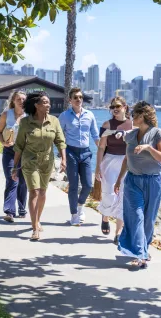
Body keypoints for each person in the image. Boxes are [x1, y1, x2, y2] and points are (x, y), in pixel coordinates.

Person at [114, 101, 161, 269]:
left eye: (134, 115)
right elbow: (126, 159)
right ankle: (140, 254)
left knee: (148, 219)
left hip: (152, 181)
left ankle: (143, 249)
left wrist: (148, 148)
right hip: (132, 181)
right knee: (136, 216)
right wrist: (118, 180)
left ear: (143, 116)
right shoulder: (130, 136)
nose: (131, 118)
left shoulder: (158, 134)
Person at [12, 91, 66, 240]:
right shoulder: (25, 123)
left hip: (47, 162)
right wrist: (15, 166)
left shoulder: (54, 121)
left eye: (49, 102)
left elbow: (60, 141)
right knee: (34, 192)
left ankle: (37, 219)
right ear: (36, 105)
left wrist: (63, 160)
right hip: (30, 161)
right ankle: (35, 228)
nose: (48, 105)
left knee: (42, 193)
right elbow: (19, 146)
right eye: (45, 102)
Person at [59, 88, 99, 226]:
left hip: (86, 153)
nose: (78, 99)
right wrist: (62, 156)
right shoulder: (64, 116)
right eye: (75, 97)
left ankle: (80, 206)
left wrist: (103, 151)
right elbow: (59, 136)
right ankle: (74, 214)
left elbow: (95, 135)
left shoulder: (90, 115)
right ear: (70, 100)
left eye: (80, 97)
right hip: (71, 152)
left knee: (88, 185)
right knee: (74, 186)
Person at [95, 96, 133, 244]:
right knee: (109, 194)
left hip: (126, 162)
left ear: (125, 107)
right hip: (109, 161)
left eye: (118, 106)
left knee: (123, 196)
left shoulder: (132, 125)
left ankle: (118, 233)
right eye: (112, 107)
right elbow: (101, 148)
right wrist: (98, 166)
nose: (115, 109)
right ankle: (105, 216)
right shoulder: (107, 124)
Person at [0, 90, 27, 223]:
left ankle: (22, 208)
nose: (21, 101)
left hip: (25, 152)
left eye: (23, 99)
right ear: (13, 101)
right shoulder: (6, 114)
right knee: (11, 179)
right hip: (9, 151)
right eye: (19, 99)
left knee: (23, 182)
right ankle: (9, 211)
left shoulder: (29, 116)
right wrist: (3, 142)